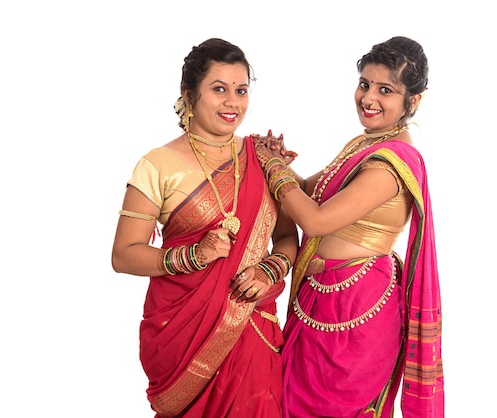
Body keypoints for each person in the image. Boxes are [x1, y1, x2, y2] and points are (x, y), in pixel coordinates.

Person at [254, 36, 444, 417]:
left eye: (385, 90)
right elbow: (309, 191)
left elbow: (315, 218)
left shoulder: (392, 163)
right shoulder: (366, 143)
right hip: (320, 295)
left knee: (337, 407)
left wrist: (272, 169)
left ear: (414, 100)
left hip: (359, 305)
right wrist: (278, 162)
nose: (368, 98)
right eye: (364, 84)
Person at [111, 38, 298, 418]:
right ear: (189, 95)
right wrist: (194, 255)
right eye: (219, 89)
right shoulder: (157, 165)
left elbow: (285, 236)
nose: (233, 102)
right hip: (182, 333)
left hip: (250, 324)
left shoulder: (261, 158)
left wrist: (269, 269)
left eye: (241, 90)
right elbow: (123, 254)